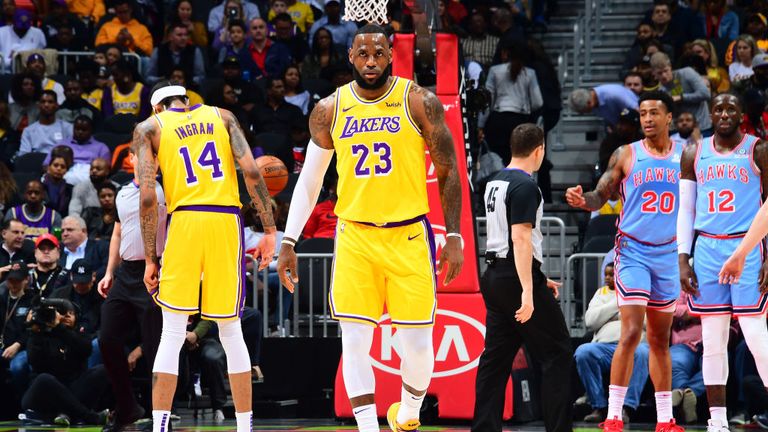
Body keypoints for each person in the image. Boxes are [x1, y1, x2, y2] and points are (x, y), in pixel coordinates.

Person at [276, 24, 464, 432]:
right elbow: (309, 181)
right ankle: (367, 428)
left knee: (416, 345)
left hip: (409, 235)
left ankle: (410, 413)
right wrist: (288, 239)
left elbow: (449, 172)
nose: (372, 62)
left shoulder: (419, 101)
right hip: (355, 237)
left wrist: (454, 235)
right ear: (351, 57)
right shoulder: (330, 109)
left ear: (390, 54)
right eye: (363, 54)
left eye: (379, 53)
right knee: (355, 342)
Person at [132, 80, 276, 432]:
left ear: (157, 107)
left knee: (171, 331)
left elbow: (149, 199)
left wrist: (151, 258)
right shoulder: (222, 116)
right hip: (226, 221)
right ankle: (245, 426)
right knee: (231, 329)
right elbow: (253, 172)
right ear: (186, 99)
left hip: (184, 221)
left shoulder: (149, 128)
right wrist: (270, 230)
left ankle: (160, 425)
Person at [566, 91, 685, 432]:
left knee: (660, 340)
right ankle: (614, 415)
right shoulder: (626, 154)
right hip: (632, 251)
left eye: (653, 113)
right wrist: (582, 200)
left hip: (667, 254)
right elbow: (599, 196)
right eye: (642, 113)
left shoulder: (686, 156)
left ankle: (666, 419)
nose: (647, 118)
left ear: (668, 118)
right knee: (631, 331)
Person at [473, 124, 571, 432]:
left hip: (494, 275)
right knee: (557, 353)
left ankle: (485, 427)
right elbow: (520, 238)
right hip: (515, 278)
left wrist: (539, 277)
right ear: (539, 149)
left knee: (495, 359)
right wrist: (529, 289)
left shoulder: (494, 180)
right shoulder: (526, 186)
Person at [680, 93, 768, 431]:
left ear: (742, 115)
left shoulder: (758, 149)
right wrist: (683, 259)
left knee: (757, 335)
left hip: (747, 246)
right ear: (711, 113)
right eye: (718, 108)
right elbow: (686, 211)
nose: (724, 113)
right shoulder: (694, 152)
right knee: (712, 340)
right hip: (707, 250)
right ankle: (717, 421)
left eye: (731, 108)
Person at [98, 147, 166, 432]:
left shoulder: (169, 191)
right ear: (132, 159)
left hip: (158, 271)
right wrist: (109, 271)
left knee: (156, 350)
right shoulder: (122, 192)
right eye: (141, 154)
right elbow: (117, 231)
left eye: (152, 155)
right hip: (126, 274)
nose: (146, 159)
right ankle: (126, 408)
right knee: (107, 340)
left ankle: (161, 416)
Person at [575, 263, 649, 423]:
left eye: (612, 275)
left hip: (634, 347)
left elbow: (648, 323)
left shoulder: (640, 293)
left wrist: (611, 315)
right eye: (606, 274)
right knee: (583, 352)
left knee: (643, 353)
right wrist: (617, 304)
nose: (607, 278)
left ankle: (627, 408)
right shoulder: (600, 293)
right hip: (605, 347)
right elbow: (591, 321)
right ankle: (599, 407)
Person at [22, 298, 110, 427]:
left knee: (102, 370)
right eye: (61, 313)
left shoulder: (78, 334)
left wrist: (60, 328)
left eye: (70, 313)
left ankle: (65, 414)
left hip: (73, 390)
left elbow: (86, 349)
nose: (66, 316)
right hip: (45, 394)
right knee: (44, 379)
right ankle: (89, 416)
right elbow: (35, 361)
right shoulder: (40, 335)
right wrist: (35, 331)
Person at [481, 39, 543, 165]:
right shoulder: (529, 73)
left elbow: (487, 101)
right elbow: (538, 102)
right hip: (520, 121)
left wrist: (480, 125)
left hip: (498, 121)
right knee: (519, 158)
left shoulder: (495, 71)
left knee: (499, 160)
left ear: (505, 53)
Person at [650, 52, 712, 135]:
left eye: (666, 71)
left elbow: (706, 94)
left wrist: (681, 97)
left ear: (670, 67)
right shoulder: (661, 91)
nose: (664, 75)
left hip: (702, 126)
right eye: (659, 73)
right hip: (681, 131)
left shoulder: (687, 73)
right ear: (653, 73)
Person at [0, 260, 36, 395]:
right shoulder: (2, 298)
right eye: (11, 280)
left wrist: (18, 344)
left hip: (24, 347)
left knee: (18, 366)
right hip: (3, 345)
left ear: (26, 279)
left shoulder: (33, 300)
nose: (14, 284)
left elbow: (32, 329)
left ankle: (22, 401)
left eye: (18, 280)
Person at [669, 290, 703, 425]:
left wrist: (692, 313)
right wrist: (700, 312)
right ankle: (688, 395)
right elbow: (672, 308)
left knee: (714, 368)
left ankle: (685, 392)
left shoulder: (719, 284)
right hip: (684, 344)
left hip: (712, 343)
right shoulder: (682, 286)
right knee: (674, 361)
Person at [45, 116, 110, 185]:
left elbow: (105, 170)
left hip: (90, 178)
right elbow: (46, 165)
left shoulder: (101, 147)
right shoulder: (61, 144)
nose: (80, 132)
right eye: (77, 129)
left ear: (91, 130)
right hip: (64, 175)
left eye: (84, 130)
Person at [147, 21, 205, 86]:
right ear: (170, 37)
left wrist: (186, 81)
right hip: (164, 91)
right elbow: (149, 78)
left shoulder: (195, 51)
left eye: (186, 35)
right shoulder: (158, 51)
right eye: (179, 35)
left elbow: (201, 77)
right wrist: (163, 80)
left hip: (188, 91)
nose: (183, 38)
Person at [17, 91, 74, 157]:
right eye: (43, 102)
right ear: (38, 105)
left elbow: (71, 152)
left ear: (56, 105)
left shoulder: (68, 128)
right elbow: (24, 157)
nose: (46, 105)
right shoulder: (28, 131)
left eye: (50, 102)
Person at [569, 84, 639, 129]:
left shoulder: (614, 94)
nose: (586, 113)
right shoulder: (595, 103)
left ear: (589, 103)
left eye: (585, 111)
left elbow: (638, 109)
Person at [30, 233, 69, 298]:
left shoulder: (67, 276)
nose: (46, 251)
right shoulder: (27, 275)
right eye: (42, 248)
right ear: (35, 253)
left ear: (58, 253)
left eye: (51, 248)